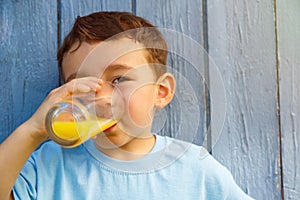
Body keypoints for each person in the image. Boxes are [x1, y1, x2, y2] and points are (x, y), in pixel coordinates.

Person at [0, 12, 253, 200]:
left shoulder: (195, 169)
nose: (101, 98)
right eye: (82, 86)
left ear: (161, 92)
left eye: (118, 79)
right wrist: (33, 130)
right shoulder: (50, 165)